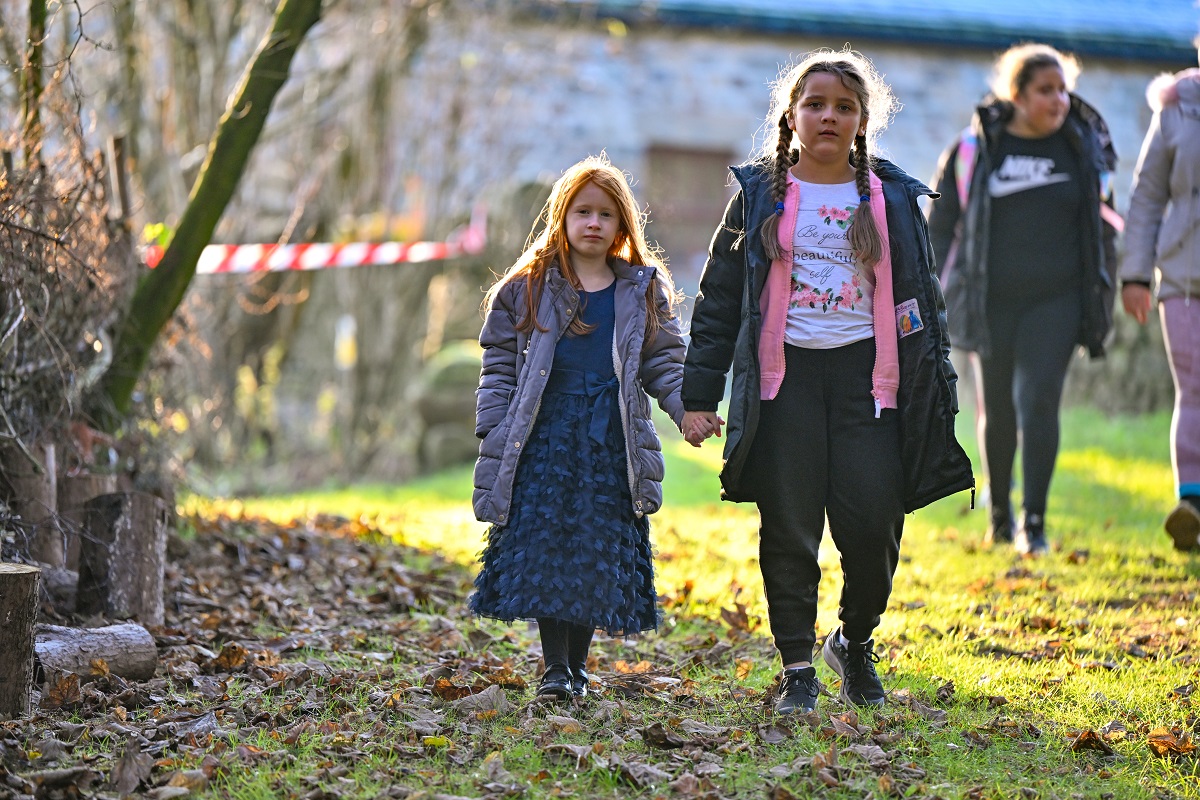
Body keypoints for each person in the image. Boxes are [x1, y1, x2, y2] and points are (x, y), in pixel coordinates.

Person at [682, 49, 973, 715]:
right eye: (815, 104)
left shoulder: (893, 198)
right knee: (789, 530)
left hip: (870, 383)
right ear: (791, 116)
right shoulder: (759, 194)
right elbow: (721, 298)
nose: (829, 116)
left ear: (863, 122)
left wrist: (938, 388)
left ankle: (854, 641)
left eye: (844, 107)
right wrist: (699, 397)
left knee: (874, 525)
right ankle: (798, 669)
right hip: (783, 386)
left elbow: (924, 300)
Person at [470, 155, 695, 702]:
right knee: (549, 551)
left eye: (607, 214)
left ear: (623, 226)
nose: (593, 223)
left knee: (593, 553)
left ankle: (577, 668)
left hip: (609, 443)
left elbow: (664, 361)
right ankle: (553, 669)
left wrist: (687, 408)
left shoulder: (640, 291)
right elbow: (499, 363)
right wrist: (493, 428)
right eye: (582, 212)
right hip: (543, 441)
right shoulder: (527, 288)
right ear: (562, 217)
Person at [927, 43, 1119, 556]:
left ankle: (1034, 523)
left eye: (1063, 90)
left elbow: (1106, 228)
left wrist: (1108, 287)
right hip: (991, 301)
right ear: (1017, 94)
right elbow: (939, 227)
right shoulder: (976, 150)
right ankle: (1000, 517)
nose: (1058, 100)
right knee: (998, 410)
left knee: (1036, 398)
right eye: (1045, 90)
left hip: (1056, 300)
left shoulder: (1082, 150)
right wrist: (936, 289)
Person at [1119, 43, 1200, 551]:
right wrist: (1134, 274)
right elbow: (1147, 193)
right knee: (1195, 384)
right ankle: (1191, 503)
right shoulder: (1177, 103)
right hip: (1184, 277)